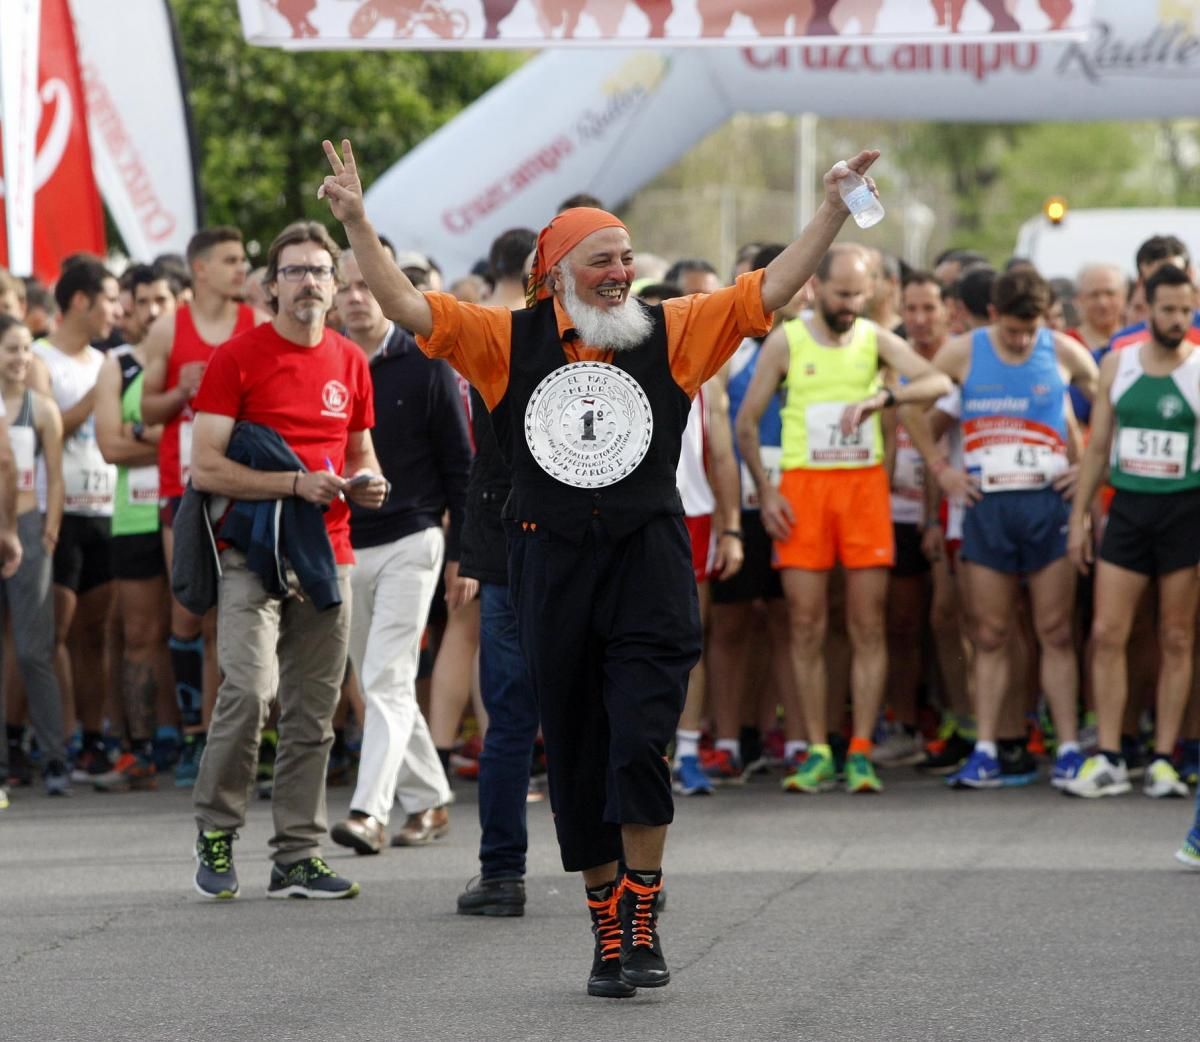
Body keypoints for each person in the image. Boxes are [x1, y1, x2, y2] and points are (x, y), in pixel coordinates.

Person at [319, 136, 880, 997]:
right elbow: (404, 304)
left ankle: (643, 909)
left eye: (627, 256)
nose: (622, 271)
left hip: (648, 560)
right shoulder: (504, 339)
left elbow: (769, 289)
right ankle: (606, 930)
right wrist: (359, 223)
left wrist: (834, 208)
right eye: (604, 259)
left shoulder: (675, 329)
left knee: (640, 740)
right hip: (548, 562)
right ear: (557, 272)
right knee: (578, 750)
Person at [188, 220, 386, 900]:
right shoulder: (236, 359)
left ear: (335, 287)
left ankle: (297, 854)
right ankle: (217, 830)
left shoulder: (350, 360)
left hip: (329, 555)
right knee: (247, 692)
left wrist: (370, 481)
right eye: (295, 271)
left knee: (313, 713)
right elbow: (206, 467)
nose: (309, 282)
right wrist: (293, 484)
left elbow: (360, 454)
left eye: (320, 271)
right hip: (252, 554)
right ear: (269, 287)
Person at [736, 245, 952, 797]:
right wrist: (768, 492)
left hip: (861, 491)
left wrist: (886, 398)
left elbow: (937, 383)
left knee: (867, 625)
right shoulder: (789, 340)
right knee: (806, 625)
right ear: (814, 288)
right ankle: (814, 748)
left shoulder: (874, 339)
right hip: (805, 490)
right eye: (841, 294)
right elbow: (746, 422)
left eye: (859, 295)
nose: (850, 305)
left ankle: (859, 749)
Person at [933, 268, 1099, 790]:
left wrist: (1091, 469)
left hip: (1047, 504)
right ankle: (985, 749)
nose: (1023, 341)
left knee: (1055, 632)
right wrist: (943, 473)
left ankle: (1069, 748)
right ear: (995, 315)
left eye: (1031, 331)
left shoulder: (1066, 352)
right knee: (989, 634)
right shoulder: (963, 352)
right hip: (987, 507)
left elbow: (1116, 405)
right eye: (1013, 331)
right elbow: (914, 405)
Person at [328, 247, 468, 854]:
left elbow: (461, 469)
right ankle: (432, 797)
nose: (357, 296)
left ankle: (369, 811)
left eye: (367, 284)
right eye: (346, 286)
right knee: (376, 680)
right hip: (345, 546)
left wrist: (464, 553)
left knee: (385, 677)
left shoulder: (426, 362)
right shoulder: (325, 364)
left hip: (415, 538)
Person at [1065, 264, 1197, 800]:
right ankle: (1111, 754)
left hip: (1185, 511)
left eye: (1186, 310)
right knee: (1107, 633)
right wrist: (1079, 517)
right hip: (1129, 509)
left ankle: (1164, 756)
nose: (1177, 320)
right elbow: (1098, 447)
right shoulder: (1117, 364)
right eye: (1166, 309)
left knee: (1176, 636)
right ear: (1144, 308)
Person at [140, 227, 263, 787]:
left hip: (237, 483)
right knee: (189, 609)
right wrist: (178, 390)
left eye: (244, 260)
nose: (242, 269)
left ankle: (219, 738)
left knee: (225, 615)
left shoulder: (254, 325)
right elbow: (146, 410)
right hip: (181, 486)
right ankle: (192, 734)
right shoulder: (170, 326)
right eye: (231, 260)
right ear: (201, 269)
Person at [455, 227, 544, 918]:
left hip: (510, 544)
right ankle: (626, 873)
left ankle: (503, 874)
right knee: (586, 712)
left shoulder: (487, 333)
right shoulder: (578, 333)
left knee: (511, 718)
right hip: (548, 544)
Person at [28, 257, 120, 782]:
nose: (116, 309)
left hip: (105, 506)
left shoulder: (104, 358)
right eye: (109, 298)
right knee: (55, 634)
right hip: (54, 511)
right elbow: (48, 428)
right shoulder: (40, 357)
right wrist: (98, 396)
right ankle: (58, 742)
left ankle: (92, 738)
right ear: (81, 301)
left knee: (95, 634)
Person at [92, 265, 182, 791]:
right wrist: (168, 438)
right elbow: (111, 447)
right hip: (135, 516)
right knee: (141, 634)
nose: (152, 310)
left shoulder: (190, 361)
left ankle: (192, 739)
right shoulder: (117, 365)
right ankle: (143, 747)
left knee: (194, 628)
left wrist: (143, 434)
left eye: (161, 300)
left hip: (190, 507)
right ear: (128, 304)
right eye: (142, 300)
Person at [0, 314, 64, 805]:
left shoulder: (42, 409)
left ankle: (54, 755)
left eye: (25, 349)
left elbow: (55, 476)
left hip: (28, 527)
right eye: (10, 349)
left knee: (32, 649)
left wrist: (51, 524)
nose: (19, 359)